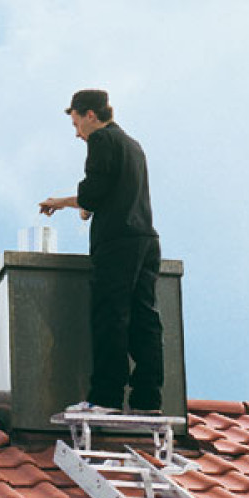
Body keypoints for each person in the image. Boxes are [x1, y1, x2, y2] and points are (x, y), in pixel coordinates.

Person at [39, 89, 164, 415]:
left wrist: (61, 203)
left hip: (117, 241)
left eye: (77, 123)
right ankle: (147, 401)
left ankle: (106, 399)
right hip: (146, 240)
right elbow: (110, 191)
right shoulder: (133, 146)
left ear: (90, 115)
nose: (77, 133)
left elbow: (92, 193)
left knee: (111, 316)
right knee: (145, 321)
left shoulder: (102, 141)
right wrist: (87, 206)